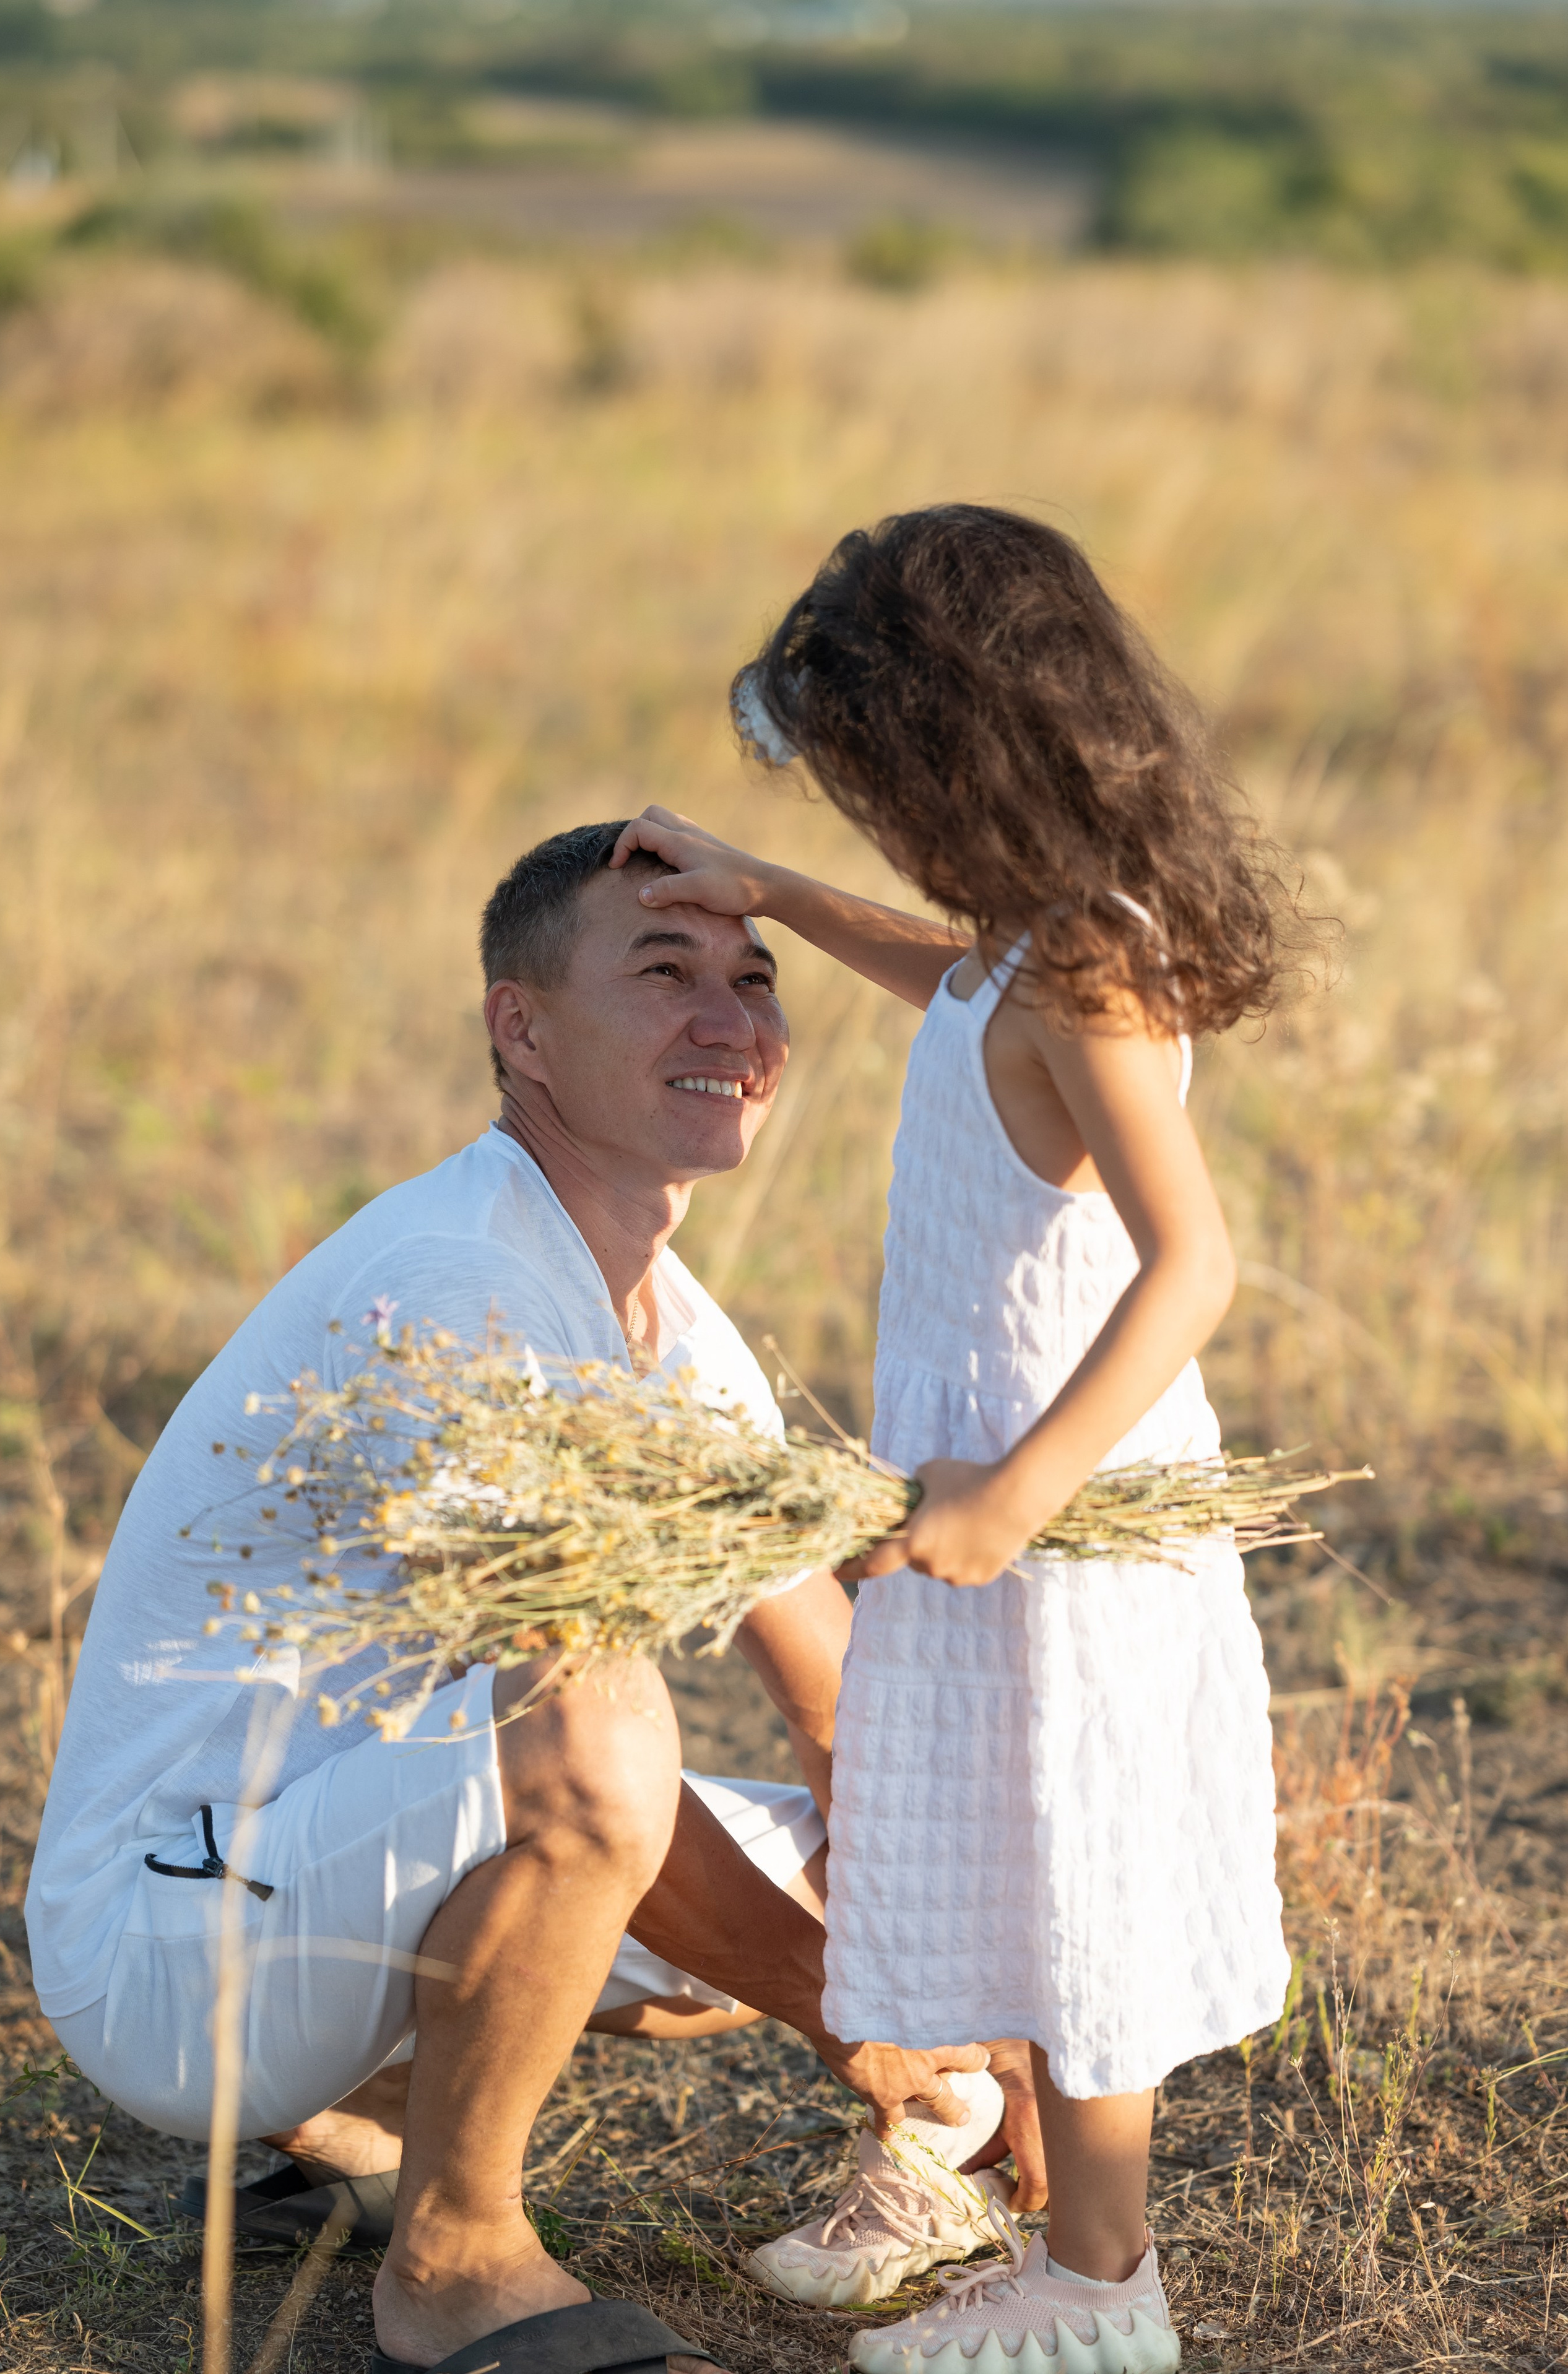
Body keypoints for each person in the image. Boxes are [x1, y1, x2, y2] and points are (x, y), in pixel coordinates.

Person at [24, 823, 997, 2374]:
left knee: (877, 1864)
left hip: (323, 1879)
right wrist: (852, 2018)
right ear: (520, 1029)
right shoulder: (461, 1283)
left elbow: (833, 1694)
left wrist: (967, 1979)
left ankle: (354, 2121)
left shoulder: (671, 1318)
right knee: (599, 1726)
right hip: (170, 1948)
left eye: (754, 979)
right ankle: (456, 2264)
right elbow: (572, 1756)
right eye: (663, 972)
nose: (729, 1020)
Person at [611, 501, 1307, 2374]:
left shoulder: (1091, 965)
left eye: (872, 786)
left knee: (1078, 1888)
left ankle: (1102, 2288)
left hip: (1060, 1512)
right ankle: (1004, 2201)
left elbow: (1193, 1261)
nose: (871, 822)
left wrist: (1015, 1493)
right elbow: (954, 986)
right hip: (992, 1498)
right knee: (1014, 1858)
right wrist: (772, 890)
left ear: (960, 754)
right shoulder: (1027, 949)